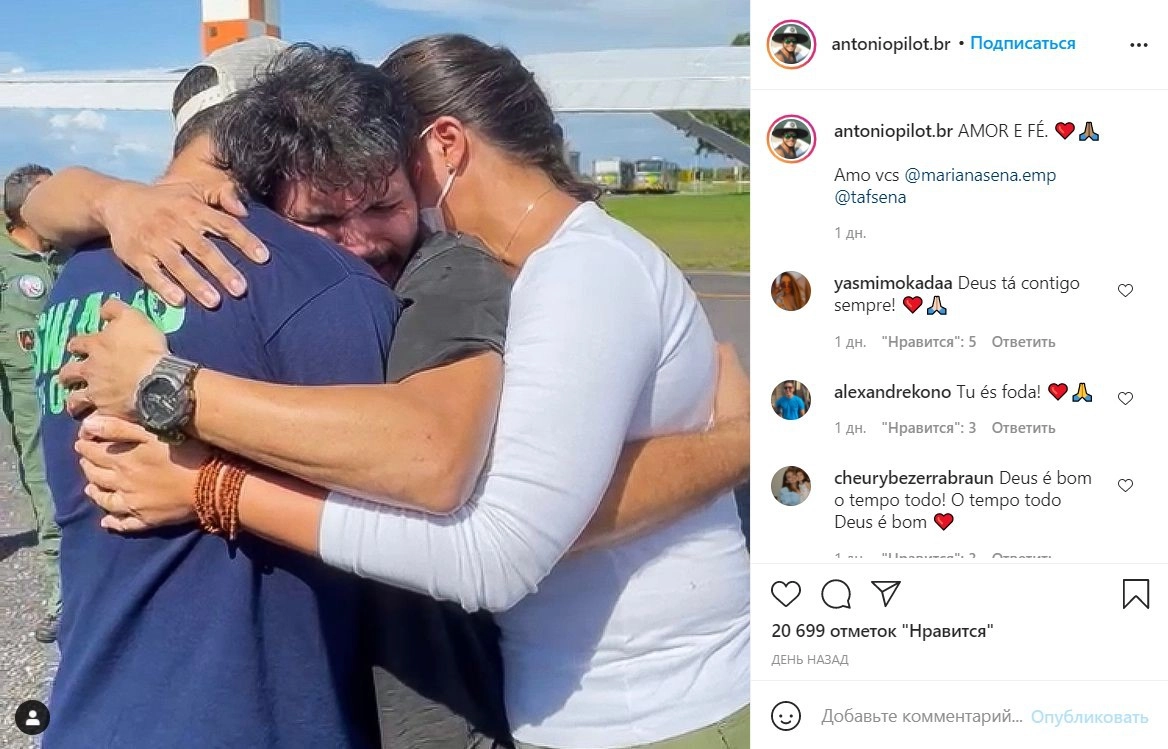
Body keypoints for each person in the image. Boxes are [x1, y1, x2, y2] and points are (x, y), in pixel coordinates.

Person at [55, 34, 750, 749]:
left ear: (443, 144)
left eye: (388, 183)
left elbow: (497, 543)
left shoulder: (579, 274)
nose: (359, 232)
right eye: (325, 213)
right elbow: (545, 502)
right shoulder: (531, 271)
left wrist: (209, 473)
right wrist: (118, 197)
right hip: (589, 701)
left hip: (655, 705)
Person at [2, 163, 64, 643]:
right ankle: (63, 598)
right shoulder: (6, 264)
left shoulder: (69, 255)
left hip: (81, 387)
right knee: (46, 485)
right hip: (28, 395)